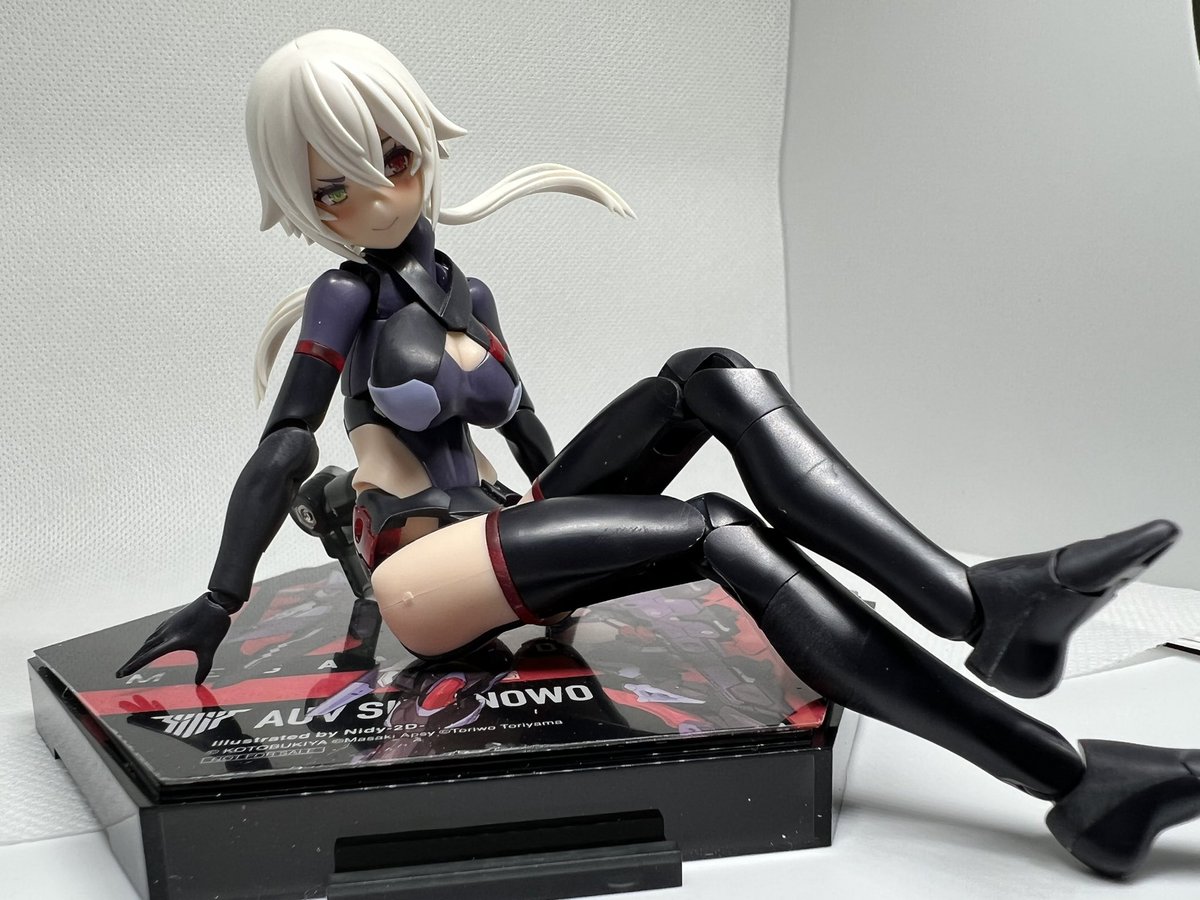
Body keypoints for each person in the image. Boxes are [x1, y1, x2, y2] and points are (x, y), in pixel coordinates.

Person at [118, 29, 1199, 878]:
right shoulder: (342, 295)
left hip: (498, 530)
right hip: (422, 578)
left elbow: (528, 433)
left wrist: (575, 505)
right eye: (331, 189)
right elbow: (283, 446)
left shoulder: (465, 291)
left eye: (392, 159)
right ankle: (1067, 779)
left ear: (423, 142)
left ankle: (978, 605)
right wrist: (218, 600)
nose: (372, 195)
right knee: (720, 533)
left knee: (708, 375)